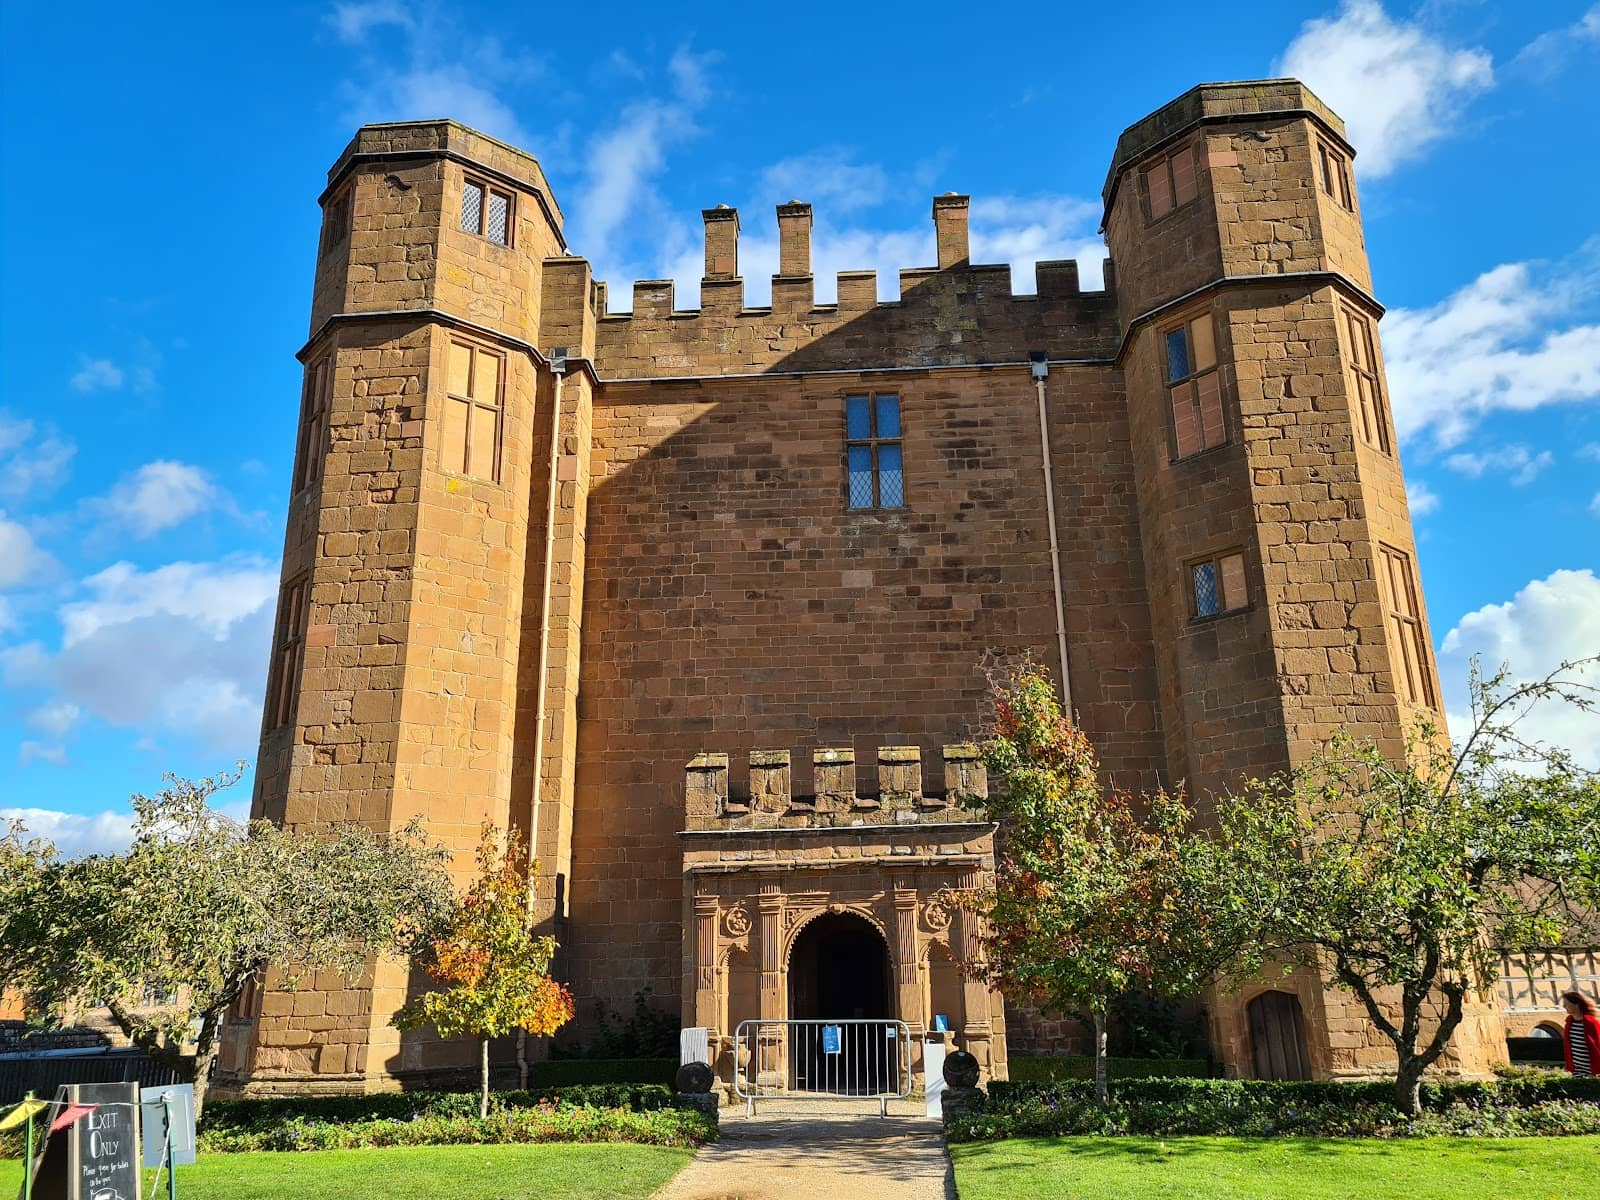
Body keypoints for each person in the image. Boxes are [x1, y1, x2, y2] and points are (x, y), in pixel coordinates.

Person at [1562, 990, 1600, 1077]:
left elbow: (1598, 1044)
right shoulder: (1569, 1023)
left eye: (1566, 1004)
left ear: (1576, 1004)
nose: (1564, 1006)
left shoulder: (1591, 1023)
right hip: (1577, 1070)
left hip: (1593, 1070)